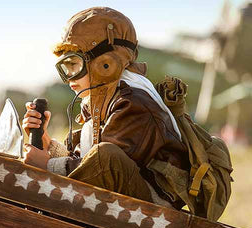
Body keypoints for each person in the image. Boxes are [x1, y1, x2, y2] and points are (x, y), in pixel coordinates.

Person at [22, 7, 190, 208]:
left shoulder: (133, 102)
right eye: (65, 68)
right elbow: (86, 166)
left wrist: (47, 165)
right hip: (127, 195)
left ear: (105, 64)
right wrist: (46, 142)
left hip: (156, 206)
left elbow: (103, 166)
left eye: (74, 64)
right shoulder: (101, 102)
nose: (69, 78)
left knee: (105, 155)